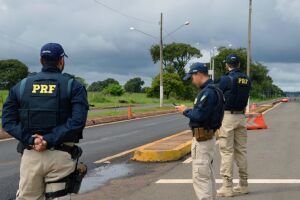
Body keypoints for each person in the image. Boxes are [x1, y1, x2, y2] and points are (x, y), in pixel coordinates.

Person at [2, 43, 89, 200]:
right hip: (61, 157)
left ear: (41, 60)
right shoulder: (74, 86)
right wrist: (48, 140)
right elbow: (77, 122)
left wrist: (32, 140)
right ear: (61, 61)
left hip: (30, 156)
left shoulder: (21, 86)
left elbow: (7, 121)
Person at [176, 62, 224, 200]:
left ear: (199, 74)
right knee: (207, 175)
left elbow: (200, 116)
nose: (191, 80)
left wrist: (185, 110)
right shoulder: (216, 90)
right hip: (209, 137)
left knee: (200, 177)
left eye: (192, 76)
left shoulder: (207, 92)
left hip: (202, 140)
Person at [217, 54, 251, 197]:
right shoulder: (247, 79)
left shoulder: (226, 79)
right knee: (241, 151)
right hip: (241, 117)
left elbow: (217, 94)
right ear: (238, 64)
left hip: (228, 117)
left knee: (227, 152)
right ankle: (243, 184)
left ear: (227, 65)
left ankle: (227, 186)